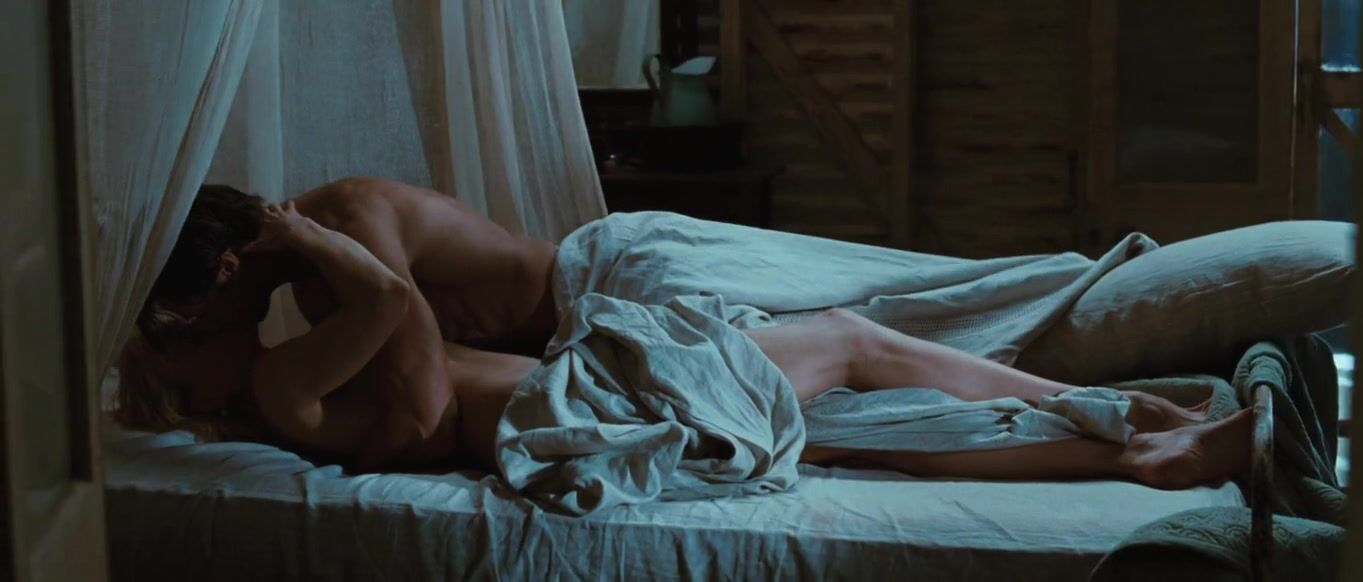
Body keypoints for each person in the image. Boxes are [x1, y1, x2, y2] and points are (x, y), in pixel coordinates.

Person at [117, 180, 1250, 488]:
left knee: (854, 395)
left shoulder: (330, 279)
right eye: (179, 341)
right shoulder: (286, 382)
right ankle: (1133, 437)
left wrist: (304, 240)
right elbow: (406, 363)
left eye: (184, 322)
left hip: (596, 344)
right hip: (582, 390)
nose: (206, 334)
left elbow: (393, 323)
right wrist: (300, 246)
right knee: (851, 359)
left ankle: (1132, 434)